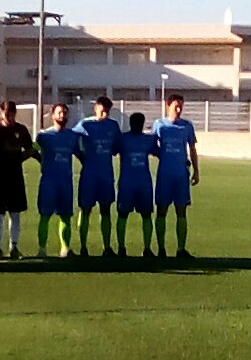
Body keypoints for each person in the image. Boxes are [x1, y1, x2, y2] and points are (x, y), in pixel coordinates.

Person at [0, 101, 39, 259]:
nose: (10, 116)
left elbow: (30, 149)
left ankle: (14, 247)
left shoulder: (21, 130)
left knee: (15, 214)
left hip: (16, 178)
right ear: (1, 112)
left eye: (12, 113)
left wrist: (42, 159)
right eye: (7, 113)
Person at [72, 96, 122, 257]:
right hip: (89, 175)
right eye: (102, 110)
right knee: (85, 210)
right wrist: (81, 156)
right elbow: (72, 141)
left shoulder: (113, 126)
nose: (105, 114)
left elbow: (116, 147)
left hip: (106, 175)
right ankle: (83, 247)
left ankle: (107, 247)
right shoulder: (86, 124)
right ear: (96, 109)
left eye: (107, 111)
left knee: (106, 210)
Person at [152, 94, 200, 258]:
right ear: (168, 106)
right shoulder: (159, 125)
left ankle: (181, 249)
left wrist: (196, 170)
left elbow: (192, 149)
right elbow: (152, 146)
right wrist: (162, 154)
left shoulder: (187, 126)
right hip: (164, 175)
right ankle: (161, 249)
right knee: (162, 211)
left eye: (181, 107)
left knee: (181, 211)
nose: (179, 110)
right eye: (176, 106)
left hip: (181, 175)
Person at [34, 103, 84, 258]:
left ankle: (65, 249)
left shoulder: (72, 136)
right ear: (52, 115)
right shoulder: (43, 136)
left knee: (66, 216)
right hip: (49, 182)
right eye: (59, 113)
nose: (62, 115)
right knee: (45, 216)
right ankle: (42, 250)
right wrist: (42, 162)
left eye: (65, 113)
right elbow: (32, 150)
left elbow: (79, 154)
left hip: (65, 182)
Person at [115, 112, 159, 258]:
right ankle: (121, 247)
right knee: (123, 215)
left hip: (143, 183)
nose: (137, 125)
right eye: (135, 122)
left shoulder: (149, 140)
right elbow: (111, 150)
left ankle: (147, 248)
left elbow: (160, 152)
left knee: (146, 215)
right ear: (131, 123)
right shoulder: (122, 139)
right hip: (128, 183)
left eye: (140, 122)